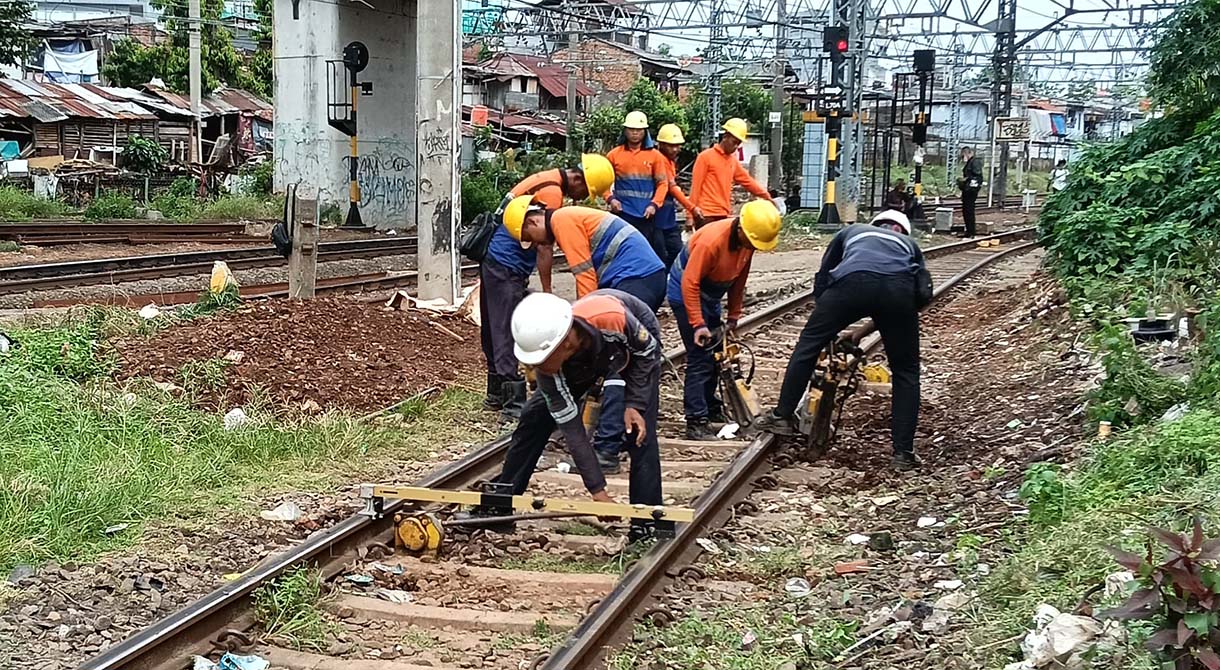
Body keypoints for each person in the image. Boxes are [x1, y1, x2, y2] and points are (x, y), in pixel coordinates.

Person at [755, 209, 928, 471]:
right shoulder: (910, 245)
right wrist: (894, 318)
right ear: (902, 230)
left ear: (876, 224)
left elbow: (824, 277)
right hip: (899, 291)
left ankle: (782, 415)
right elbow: (920, 295)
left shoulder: (851, 231)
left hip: (851, 283)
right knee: (906, 372)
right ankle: (903, 453)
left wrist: (826, 321)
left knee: (807, 346)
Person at [504, 197, 666, 473]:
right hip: (640, 275)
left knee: (618, 368)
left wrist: (573, 322)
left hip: (635, 277)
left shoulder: (563, 220)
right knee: (610, 365)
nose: (537, 244)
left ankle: (607, 447)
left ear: (533, 221)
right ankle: (608, 436)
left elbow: (585, 277)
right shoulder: (567, 218)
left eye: (530, 237)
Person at [491, 290, 663, 540]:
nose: (534, 368)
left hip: (635, 348)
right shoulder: (550, 369)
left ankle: (648, 519)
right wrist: (598, 491)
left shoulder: (611, 318)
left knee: (638, 429)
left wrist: (634, 403)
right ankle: (500, 503)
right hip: (583, 358)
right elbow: (573, 430)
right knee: (534, 416)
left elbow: (647, 352)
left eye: (539, 360)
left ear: (564, 343)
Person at [480, 155, 615, 418]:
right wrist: (547, 290)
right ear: (577, 179)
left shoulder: (547, 178)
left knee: (494, 326)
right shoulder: (552, 192)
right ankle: (512, 404)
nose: (579, 198)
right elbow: (544, 245)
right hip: (507, 264)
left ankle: (496, 393)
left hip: (496, 261)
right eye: (584, 192)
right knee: (504, 330)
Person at [668, 200, 782, 439]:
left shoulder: (747, 241)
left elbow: (739, 280)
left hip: (709, 294)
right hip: (686, 292)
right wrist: (698, 324)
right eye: (753, 242)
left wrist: (733, 316)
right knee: (700, 356)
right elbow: (690, 283)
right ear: (741, 230)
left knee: (716, 353)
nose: (754, 247)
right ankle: (696, 420)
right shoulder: (711, 242)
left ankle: (709, 406)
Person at [606, 111, 668, 263]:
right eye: (631, 129)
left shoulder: (655, 156)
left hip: (647, 215)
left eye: (638, 130)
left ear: (644, 132)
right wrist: (610, 199)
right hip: (623, 213)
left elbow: (662, 184)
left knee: (648, 252)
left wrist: (654, 205)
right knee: (622, 252)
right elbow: (603, 183)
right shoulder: (614, 155)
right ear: (625, 131)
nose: (635, 133)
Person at [688, 118, 773, 228]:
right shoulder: (705, 157)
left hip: (723, 214)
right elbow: (695, 187)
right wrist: (689, 216)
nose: (736, 147)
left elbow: (747, 181)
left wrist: (767, 196)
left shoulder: (732, 161)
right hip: (705, 215)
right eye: (734, 142)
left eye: (738, 144)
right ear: (725, 137)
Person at [653, 123, 698, 266]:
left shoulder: (670, 161)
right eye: (671, 146)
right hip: (656, 218)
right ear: (661, 144)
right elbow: (672, 188)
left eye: (677, 146)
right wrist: (691, 208)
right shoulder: (659, 159)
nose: (675, 149)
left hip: (667, 216)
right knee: (661, 255)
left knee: (676, 251)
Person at [958, 147, 983, 238]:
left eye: (963, 155)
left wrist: (966, 181)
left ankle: (971, 231)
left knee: (969, 210)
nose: (962, 157)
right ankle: (969, 230)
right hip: (968, 189)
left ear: (967, 153)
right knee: (966, 210)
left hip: (971, 190)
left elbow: (977, 176)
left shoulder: (974, 162)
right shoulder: (970, 162)